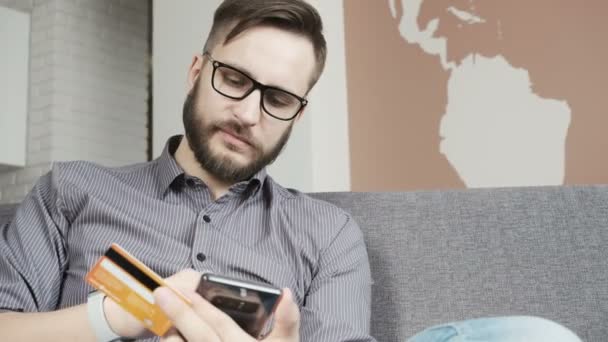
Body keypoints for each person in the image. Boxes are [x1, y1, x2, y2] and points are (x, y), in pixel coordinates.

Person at [0, 1, 582, 341]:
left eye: (278, 99)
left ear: (298, 113)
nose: (249, 113)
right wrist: (116, 316)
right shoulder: (72, 190)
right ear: (197, 70)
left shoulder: (328, 232)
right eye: (234, 80)